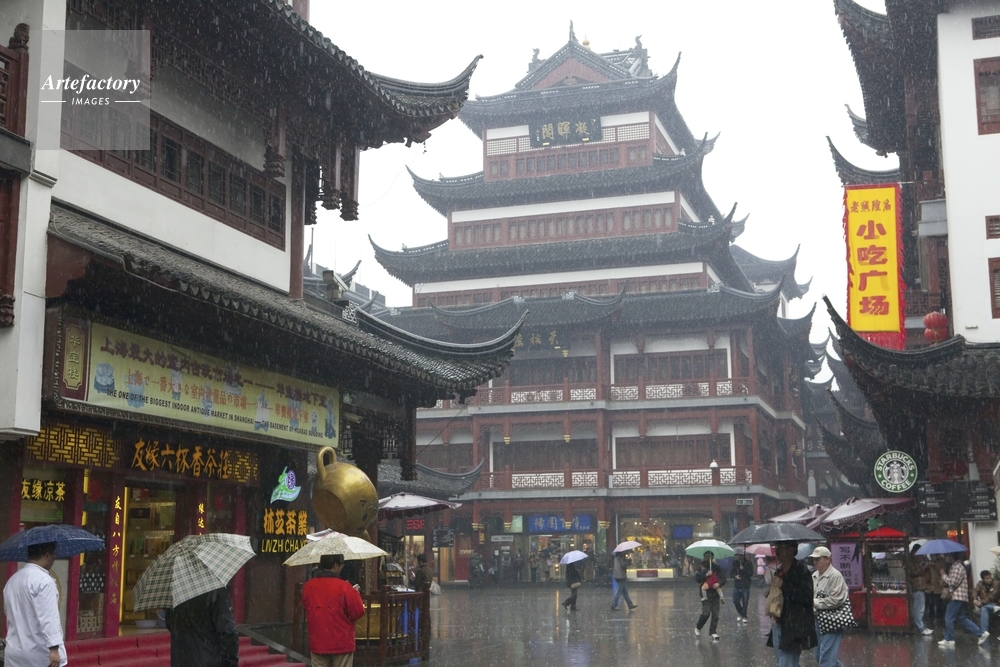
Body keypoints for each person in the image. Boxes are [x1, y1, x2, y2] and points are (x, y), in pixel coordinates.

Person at [3, 542, 66, 667]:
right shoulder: (44, 581)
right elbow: (49, 617)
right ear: (47, 555)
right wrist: (54, 648)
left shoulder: (12, 580)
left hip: (14, 653)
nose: (55, 558)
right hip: (39, 654)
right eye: (54, 554)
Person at [302, 554, 366, 667]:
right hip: (341, 641)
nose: (341, 568)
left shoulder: (308, 586)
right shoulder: (345, 587)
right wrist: (355, 594)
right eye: (341, 565)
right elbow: (357, 611)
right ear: (335, 565)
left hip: (318, 641)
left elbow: (306, 606)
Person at [766, 541, 817, 667]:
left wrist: (784, 585)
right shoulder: (779, 572)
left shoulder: (802, 572)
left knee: (786, 663)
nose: (777, 551)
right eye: (776, 547)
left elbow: (805, 597)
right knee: (784, 662)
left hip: (795, 626)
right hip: (778, 623)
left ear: (791, 550)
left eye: (781, 547)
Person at [165, 587, 239, 667]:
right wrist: (231, 662)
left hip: (180, 659)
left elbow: (170, 623)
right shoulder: (215, 590)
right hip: (210, 660)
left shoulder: (174, 591)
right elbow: (228, 631)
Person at [937, 551, 989, 647]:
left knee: (949, 617)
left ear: (951, 556)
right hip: (960, 596)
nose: (946, 558)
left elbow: (952, 582)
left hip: (956, 596)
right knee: (961, 617)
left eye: (947, 556)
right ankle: (980, 633)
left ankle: (949, 639)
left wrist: (943, 575)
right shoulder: (957, 566)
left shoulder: (957, 567)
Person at [811, 546, 848, 667]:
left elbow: (837, 599)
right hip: (817, 620)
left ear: (828, 559)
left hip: (833, 620)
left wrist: (816, 602)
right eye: (814, 559)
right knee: (820, 656)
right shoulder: (814, 575)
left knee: (826, 658)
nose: (815, 562)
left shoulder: (835, 576)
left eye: (818, 559)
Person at [694, 551, 726, 640]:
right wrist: (706, 575)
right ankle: (699, 626)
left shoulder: (716, 568)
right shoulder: (701, 567)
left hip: (715, 593)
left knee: (715, 614)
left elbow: (723, 579)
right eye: (706, 556)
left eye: (710, 556)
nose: (708, 558)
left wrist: (719, 584)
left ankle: (713, 632)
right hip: (706, 593)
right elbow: (697, 579)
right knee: (706, 613)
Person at [908, 544, 933, 636]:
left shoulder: (921, 560)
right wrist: (923, 568)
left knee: (920, 608)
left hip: (922, 586)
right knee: (919, 608)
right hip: (917, 586)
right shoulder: (912, 562)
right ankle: (920, 627)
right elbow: (913, 572)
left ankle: (922, 626)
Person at [973, 570, 1000, 635]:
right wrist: (975, 599)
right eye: (987, 578)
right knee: (984, 609)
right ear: (983, 579)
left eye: (990, 577)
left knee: (984, 608)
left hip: (996, 603)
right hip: (987, 606)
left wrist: (981, 602)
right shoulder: (980, 584)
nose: (990, 580)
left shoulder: (996, 583)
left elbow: (992, 596)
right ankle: (985, 632)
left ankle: (983, 631)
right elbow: (975, 591)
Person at [731, 551, 754, 623]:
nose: (739, 557)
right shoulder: (735, 563)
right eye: (738, 555)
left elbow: (751, 573)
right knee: (735, 601)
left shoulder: (748, 563)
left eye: (741, 555)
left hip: (745, 585)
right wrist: (735, 576)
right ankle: (742, 613)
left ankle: (744, 616)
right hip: (737, 585)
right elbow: (731, 573)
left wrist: (743, 569)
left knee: (745, 602)